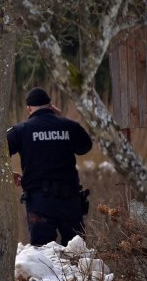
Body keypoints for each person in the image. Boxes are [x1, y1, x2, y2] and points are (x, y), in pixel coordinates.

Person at [7, 87, 93, 246]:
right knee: (76, 252)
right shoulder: (68, 126)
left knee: (42, 254)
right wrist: (62, 119)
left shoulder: (21, 130)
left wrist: (8, 173)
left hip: (40, 203)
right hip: (70, 201)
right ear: (50, 105)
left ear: (29, 108)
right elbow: (85, 146)